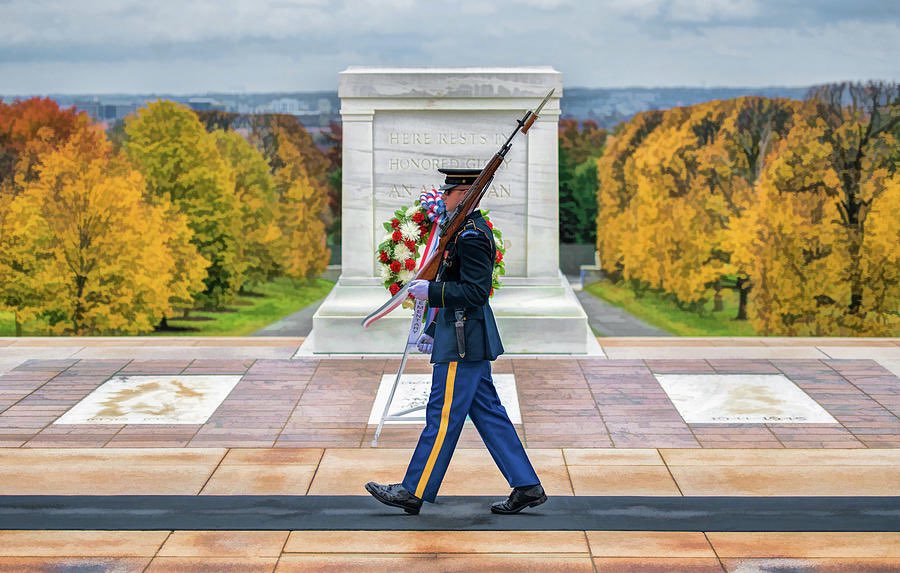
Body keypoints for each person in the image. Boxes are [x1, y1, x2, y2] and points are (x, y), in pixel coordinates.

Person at [365, 167, 546, 515]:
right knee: (489, 413)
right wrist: (432, 331)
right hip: (462, 335)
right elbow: (456, 281)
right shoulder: (460, 232)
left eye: (448, 193)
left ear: (463, 196)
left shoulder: (472, 236)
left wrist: (430, 291)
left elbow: (476, 292)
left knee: (443, 416)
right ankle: (527, 485)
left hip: (463, 341)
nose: (442, 198)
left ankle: (412, 490)